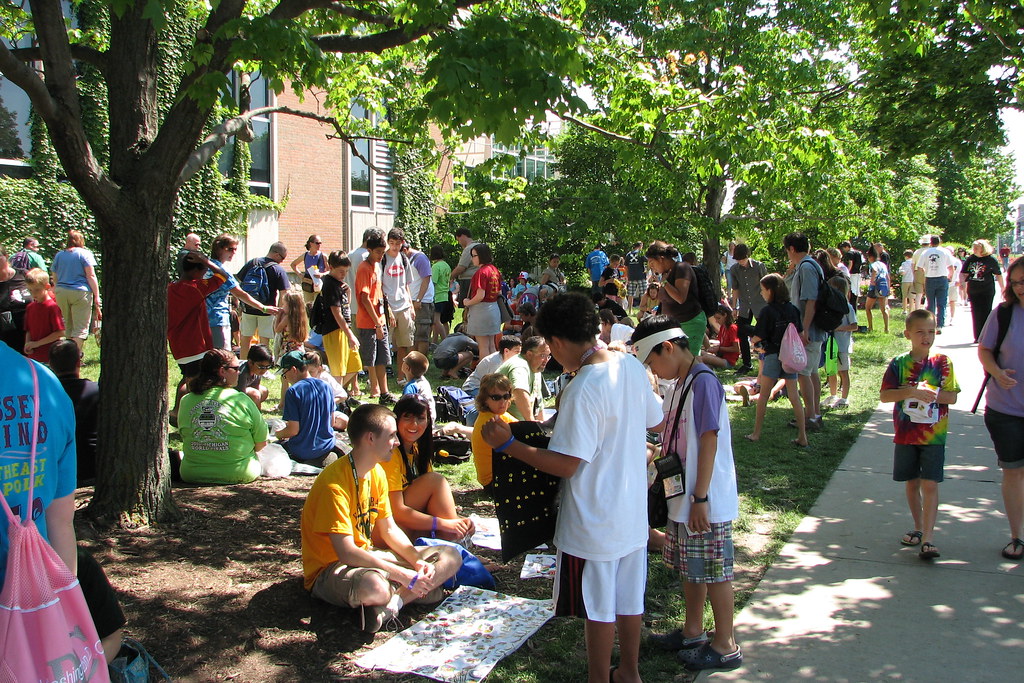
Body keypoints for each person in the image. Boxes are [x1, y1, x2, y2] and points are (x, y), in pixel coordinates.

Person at [480, 292, 662, 683]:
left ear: (558, 342)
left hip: (594, 521)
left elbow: (567, 464)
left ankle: (600, 678)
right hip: (631, 512)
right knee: (629, 598)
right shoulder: (629, 366)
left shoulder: (583, 387)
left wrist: (509, 445)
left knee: (598, 607)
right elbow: (655, 418)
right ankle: (629, 672)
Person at [633, 315, 742, 673]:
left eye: (653, 361)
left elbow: (709, 438)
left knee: (715, 572)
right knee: (691, 569)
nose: (654, 370)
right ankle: (693, 631)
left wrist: (700, 497)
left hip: (703, 499)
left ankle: (725, 644)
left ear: (667, 347)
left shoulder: (703, 382)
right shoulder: (679, 382)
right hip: (684, 498)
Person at [300, 404, 462, 633]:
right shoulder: (334, 485)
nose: (397, 442)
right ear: (370, 438)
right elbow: (346, 552)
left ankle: (393, 604)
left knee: (451, 555)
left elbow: (389, 529)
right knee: (376, 586)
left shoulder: (376, 472)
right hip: (330, 569)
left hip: (370, 557)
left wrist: (416, 561)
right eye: (392, 435)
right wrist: (401, 573)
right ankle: (407, 591)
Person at [880, 309, 960, 560]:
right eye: (920, 332)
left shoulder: (943, 363)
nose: (926, 337)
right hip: (906, 434)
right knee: (912, 482)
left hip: (934, 435)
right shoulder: (899, 363)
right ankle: (917, 526)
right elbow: (885, 395)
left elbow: (953, 397)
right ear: (907, 334)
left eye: (930, 331)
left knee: (930, 483)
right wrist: (911, 391)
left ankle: (928, 538)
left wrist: (931, 393)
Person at [978, 257, 1024, 560]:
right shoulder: (1004, 314)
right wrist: (996, 371)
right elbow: (984, 350)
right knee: (1014, 472)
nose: (1021, 288)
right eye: (1016, 282)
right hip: (1006, 410)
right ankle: (1017, 537)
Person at [381, 395, 475, 541]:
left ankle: (457, 550)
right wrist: (445, 524)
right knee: (436, 481)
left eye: (420, 418)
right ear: (396, 419)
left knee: (450, 518)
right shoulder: (390, 454)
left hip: (409, 525)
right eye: (407, 417)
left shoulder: (419, 450)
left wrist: (459, 521)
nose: (414, 424)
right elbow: (397, 511)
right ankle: (458, 550)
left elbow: (435, 503)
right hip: (387, 527)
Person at [177, 349, 268, 484]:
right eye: (236, 368)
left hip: (193, 473)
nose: (239, 372)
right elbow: (261, 442)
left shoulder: (185, 400)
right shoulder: (242, 400)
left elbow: (185, 435)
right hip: (239, 472)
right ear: (222, 371)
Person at [745, 274, 808, 447]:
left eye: (763, 290)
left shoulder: (767, 311)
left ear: (771, 290)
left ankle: (756, 433)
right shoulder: (793, 309)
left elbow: (758, 335)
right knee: (794, 396)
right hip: (790, 357)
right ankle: (803, 435)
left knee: (764, 395)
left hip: (773, 355)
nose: (762, 294)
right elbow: (800, 334)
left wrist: (753, 341)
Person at [167, 251, 230, 425]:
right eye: (203, 270)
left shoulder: (170, 288)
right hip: (196, 346)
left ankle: (177, 413)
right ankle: (187, 418)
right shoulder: (195, 288)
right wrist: (207, 261)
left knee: (188, 378)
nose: (205, 274)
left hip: (179, 348)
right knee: (198, 385)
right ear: (196, 271)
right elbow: (223, 276)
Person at [205, 234, 279, 352]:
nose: (234, 252)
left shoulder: (205, 266)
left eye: (235, 249)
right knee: (221, 356)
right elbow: (240, 293)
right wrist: (263, 308)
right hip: (217, 319)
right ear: (219, 248)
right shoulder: (221, 271)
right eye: (230, 249)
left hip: (201, 319)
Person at [783, 232, 826, 432]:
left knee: (804, 373)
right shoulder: (807, 265)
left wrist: (805, 329)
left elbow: (811, 300)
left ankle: (810, 416)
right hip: (812, 329)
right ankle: (815, 413)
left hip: (809, 330)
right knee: (812, 372)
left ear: (792, 249)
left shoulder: (807, 267)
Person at [276, 350, 348, 467]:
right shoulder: (326, 387)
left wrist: (279, 434)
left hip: (302, 450)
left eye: (284, 374)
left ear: (293, 369)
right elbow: (331, 422)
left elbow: (293, 430)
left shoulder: (293, 391)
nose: (285, 378)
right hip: (326, 446)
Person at [49, 339, 99, 485]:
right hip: (93, 467)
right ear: (78, 362)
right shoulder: (96, 390)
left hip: (59, 470)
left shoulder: (42, 396)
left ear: (51, 364)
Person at [355, 232, 395, 402]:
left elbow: (378, 294)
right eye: (378, 252)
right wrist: (377, 324)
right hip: (369, 322)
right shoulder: (364, 268)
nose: (381, 255)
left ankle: (384, 393)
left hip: (380, 320)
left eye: (382, 252)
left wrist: (387, 313)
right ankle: (373, 389)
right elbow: (364, 298)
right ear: (369, 250)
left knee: (382, 358)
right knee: (370, 358)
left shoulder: (377, 267)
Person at [646, 241, 707, 347]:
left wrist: (665, 283)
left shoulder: (682, 268)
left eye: (652, 262)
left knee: (690, 360)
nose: (651, 267)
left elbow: (680, 298)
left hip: (690, 322)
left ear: (661, 258)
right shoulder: (666, 274)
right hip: (674, 325)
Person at [236, 241, 291, 358]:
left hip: (248, 307)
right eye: (282, 258)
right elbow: (284, 293)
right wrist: (279, 311)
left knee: (245, 340)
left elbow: (240, 281)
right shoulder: (278, 270)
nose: (282, 261)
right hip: (267, 310)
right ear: (276, 254)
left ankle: (243, 364)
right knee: (264, 341)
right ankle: (262, 365)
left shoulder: (252, 263)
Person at [50, 229, 101, 351]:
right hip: (80, 292)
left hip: (61, 292)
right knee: (80, 329)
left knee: (68, 327)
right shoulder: (84, 254)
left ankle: (68, 355)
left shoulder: (59, 255)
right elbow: (91, 276)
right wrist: (97, 296)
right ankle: (75, 358)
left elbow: (54, 276)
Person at [319, 250, 363, 389]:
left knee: (354, 365)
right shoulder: (330, 284)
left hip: (344, 329)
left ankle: (335, 392)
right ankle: (333, 396)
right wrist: (350, 336)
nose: (343, 275)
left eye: (346, 271)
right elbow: (336, 312)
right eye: (340, 271)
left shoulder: (339, 284)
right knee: (339, 369)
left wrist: (348, 292)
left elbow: (345, 307)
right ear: (330, 267)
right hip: (334, 330)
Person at [471, 373, 518, 489]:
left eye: (506, 396)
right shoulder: (490, 421)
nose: (502, 402)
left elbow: (523, 427)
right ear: (485, 400)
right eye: (496, 397)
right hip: (493, 482)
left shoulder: (496, 414)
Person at [382, 228, 416, 384]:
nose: (394, 247)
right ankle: (381, 373)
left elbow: (406, 284)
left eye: (397, 243)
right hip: (387, 305)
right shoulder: (382, 259)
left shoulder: (403, 259)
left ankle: (401, 376)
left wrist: (411, 305)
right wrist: (386, 307)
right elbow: (378, 286)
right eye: (391, 243)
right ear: (387, 242)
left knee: (404, 342)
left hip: (403, 305)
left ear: (402, 243)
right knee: (383, 342)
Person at [729, 244, 767, 375]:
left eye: (742, 259)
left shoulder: (758, 266)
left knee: (763, 332)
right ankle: (747, 363)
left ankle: (766, 359)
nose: (740, 262)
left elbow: (767, 284)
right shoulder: (735, 269)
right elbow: (735, 289)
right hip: (745, 304)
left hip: (760, 303)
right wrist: (734, 307)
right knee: (741, 333)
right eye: (738, 259)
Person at [463, 242, 502, 358]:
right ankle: (494, 372)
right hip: (494, 309)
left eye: (474, 255)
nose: (472, 259)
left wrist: (467, 302)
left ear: (481, 256)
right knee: (491, 344)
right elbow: (499, 292)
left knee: (483, 346)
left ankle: (485, 375)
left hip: (481, 310)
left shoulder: (481, 272)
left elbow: (480, 295)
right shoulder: (494, 270)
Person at [824, 276, 858, 409]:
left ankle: (844, 398)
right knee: (831, 370)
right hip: (831, 344)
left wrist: (839, 328)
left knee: (843, 371)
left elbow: (854, 325)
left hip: (842, 345)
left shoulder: (847, 307)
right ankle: (833, 395)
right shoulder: (829, 307)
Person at [498, 335, 550, 422]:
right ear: (529, 354)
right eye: (542, 355)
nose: (546, 360)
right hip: (499, 423)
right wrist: (531, 424)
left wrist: (542, 429)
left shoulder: (536, 369)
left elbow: (538, 404)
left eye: (548, 356)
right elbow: (519, 391)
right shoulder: (519, 366)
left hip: (517, 425)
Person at [962, 239, 1004, 343]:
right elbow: (964, 272)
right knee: (976, 312)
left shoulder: (991, 259)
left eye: (977, 248)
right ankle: (977, 336)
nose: (974, 250)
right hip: (973, 289)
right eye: (974, 248)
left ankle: (986, 335)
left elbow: (998, 274)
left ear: (983, 248)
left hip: (987, 290)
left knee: (986, 312)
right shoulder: (971, 259)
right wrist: (962, 284)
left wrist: (1003, 288)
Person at [22, 267, 65, 363]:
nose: (33, 294)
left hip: (50, 356)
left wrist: (36, 344)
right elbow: (28, 330)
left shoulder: (52, 307)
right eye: (30, 290)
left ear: (47, 287)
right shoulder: (30, 307)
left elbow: (60, 333)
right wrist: (27, 344)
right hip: (33, 357)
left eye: (37, 290)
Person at [274, 290, 310, 405]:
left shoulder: (287, 318)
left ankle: (282, 403)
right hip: (299, 349)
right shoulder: (302, 317)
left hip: (288, 350)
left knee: (285, 378)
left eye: (284, 304)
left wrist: (278, 315)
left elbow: (277, 329)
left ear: (290, 306)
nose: (282, 306)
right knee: (297, 376)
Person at [402, 242, 434, 356]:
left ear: (405, 250)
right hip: (411, 301)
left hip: (422, 302)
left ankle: (421, 364)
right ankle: (412, 363)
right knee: (412, 335)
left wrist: (419, 300)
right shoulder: (407, 260)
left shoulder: (420, 259)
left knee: (421, 336)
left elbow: (426, 279)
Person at [918, 235, 954, 333]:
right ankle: (940, 325)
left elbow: (920, 267)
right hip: (942, 278)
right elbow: (951, 267)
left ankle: (931, 324)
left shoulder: (925, 252)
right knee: (941, 303)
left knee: (931, 303)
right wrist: (950, 277)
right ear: (939, 242)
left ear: (930, 242)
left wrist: (926, 271)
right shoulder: (945, 252)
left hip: (930, 278)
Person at [290, 234, 327, 304]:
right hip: (308, 284)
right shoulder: (305, 255)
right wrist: (300, 275)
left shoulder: (323, 256)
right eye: (317, 243)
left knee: (318, 305)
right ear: (311, 244)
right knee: (308, 305)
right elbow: (293, 265)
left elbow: (329, 271)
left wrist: (322, 274)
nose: (319, 245)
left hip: (319, 284)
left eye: (320, 243)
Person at [449, 227, 480, 309]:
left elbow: (461, 267)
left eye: (458, 240)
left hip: (468, 281)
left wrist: (450, 277)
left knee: (467, 308)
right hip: (478, 280)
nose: (459, 243)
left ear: (462, 236)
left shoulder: (469, 248)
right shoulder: (479, 246)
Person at [699, 305, 739, 369]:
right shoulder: (723, 327)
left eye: (718, 318)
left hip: (728, 361)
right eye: (716, 318)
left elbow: (736, 349)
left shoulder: (732, 328)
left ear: (725, 315)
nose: (716, 321)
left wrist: (719, 348)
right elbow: (719, 342)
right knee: (700, 352)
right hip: (720, 356)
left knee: (705, 358)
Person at [236, 343, 273, 409]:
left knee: (264, 391)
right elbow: (240, 395)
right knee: (255, 394)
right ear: (250, 362)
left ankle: (251, 409)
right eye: (261, 367)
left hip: (243, 390)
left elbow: (255, 387)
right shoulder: (242, 372)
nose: (264, 370)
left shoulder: (256, 370)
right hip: (234, 393)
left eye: (267, 367)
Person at [400, 351, 435, 420]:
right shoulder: (424, 382)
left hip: (419, 420)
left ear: (407, 368)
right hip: (430, 419)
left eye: (404, 361)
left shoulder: (411, 386)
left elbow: (405, 405)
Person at [864, 246, 890, 334]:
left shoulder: (873, 264)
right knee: (883, 309)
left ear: (871, 257)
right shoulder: (883, 265)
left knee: (868, 308)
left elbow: (874, 271)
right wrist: (888, 288)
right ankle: (886, 328)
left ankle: (870, 327)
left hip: (874, 288)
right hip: (883, 287)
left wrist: (872, 281)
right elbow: (888, 277)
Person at [429, 245, 453, 342]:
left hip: (437, 295)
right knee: (443, 320)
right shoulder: (446, 265)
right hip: (445, 295)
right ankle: (434, 341)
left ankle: (445, 341)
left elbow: (433, 282)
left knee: (436, 320)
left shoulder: (435, 266)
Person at [839, 241, 863, 306]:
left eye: (843, 248)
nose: (843, 250)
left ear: (847, 247)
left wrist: (847, 272)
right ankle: (855, 305)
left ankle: (852, 305)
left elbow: (850, 263)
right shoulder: (858, 253)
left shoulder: (849, 253)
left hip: (852, 274)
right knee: (856, 291)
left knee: (851, 291)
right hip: (858, 274)